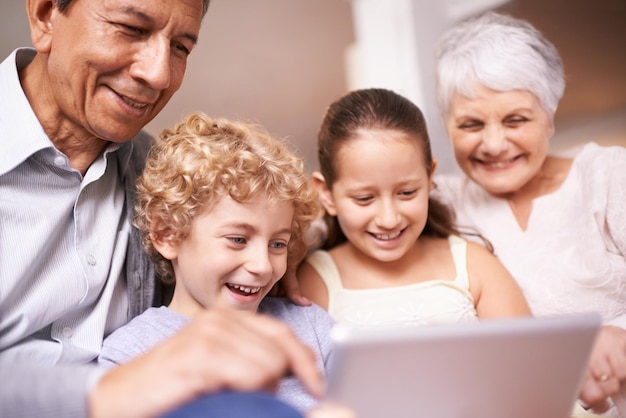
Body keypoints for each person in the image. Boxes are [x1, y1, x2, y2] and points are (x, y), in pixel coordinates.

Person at [0, 0, 323, 417]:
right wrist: (104, 392)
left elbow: (249, 209)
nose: (158, 74)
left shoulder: (155, 173)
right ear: (45, 15)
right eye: (131, 29)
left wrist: (297, 243)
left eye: (181, 48)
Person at [432, 11, 626, 415]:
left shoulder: (608, 176)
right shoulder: (439, 201)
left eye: (515, 119)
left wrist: (621, 332)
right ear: (447, 126)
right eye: (470, 124)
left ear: (550, 118)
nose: (494, 143)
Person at [97, 112, 334, 415]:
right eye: (238, 239)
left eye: (278, 244)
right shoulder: (130, 356)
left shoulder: (312, 327)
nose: (262, 265)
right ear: (168, 235)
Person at [295, 87, 531, 328]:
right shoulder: (314, 279)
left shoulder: (473, 264)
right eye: (364, 198)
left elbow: (530, 358)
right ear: (327, 194)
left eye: (407, 193)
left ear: (430, 178)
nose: (389, 219)